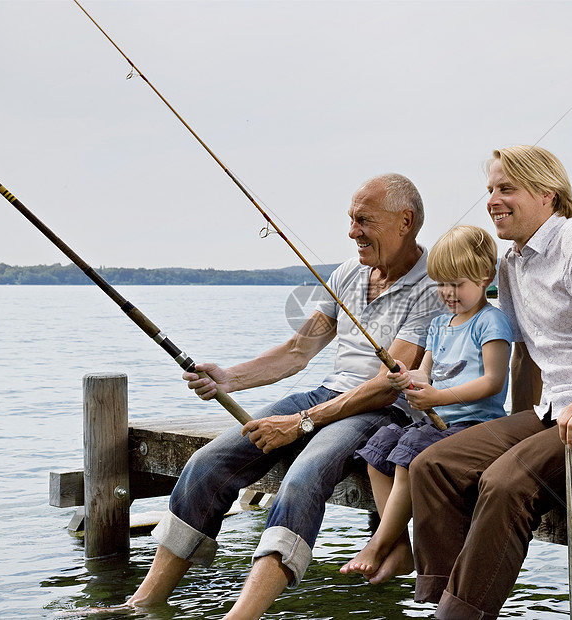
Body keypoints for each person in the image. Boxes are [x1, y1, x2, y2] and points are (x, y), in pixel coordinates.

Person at [124, 173, 443, 620]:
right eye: (350, 220)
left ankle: (242, 616)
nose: (352, 232)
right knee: (207, 463)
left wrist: (301, 423)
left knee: (300, 480)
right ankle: (144, 602)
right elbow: (298, 351)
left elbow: (391, 381)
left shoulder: (434, 282)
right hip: (327, 396)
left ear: (404, 221)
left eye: (363, 220)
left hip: (385, 413)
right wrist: (229, 378)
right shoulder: (348, 273)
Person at [409, 145, 572, 620]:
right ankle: (442, 605)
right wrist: (510, 432)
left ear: (547, 194)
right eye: (490, 189)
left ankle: (460, 615)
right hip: (556, 415)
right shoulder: (513, 263)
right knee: (435, 465)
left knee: (508, 480)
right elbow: (527, 356)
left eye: (506, 188)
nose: (492, 199)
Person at [340, 225, 513, 584]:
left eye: (457, 283)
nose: (448, 293)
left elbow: (493, 381)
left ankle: (378, 543)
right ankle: (397, 547)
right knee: (378, 450)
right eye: (441, 284)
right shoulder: (438, 324)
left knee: (408, 454)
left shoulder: (491, 322)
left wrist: (438, 397)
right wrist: (408, 377)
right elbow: (427, 374)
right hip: (435, 423)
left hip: (474, 426)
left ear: (485, 278)